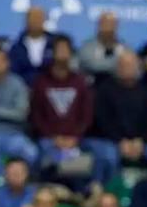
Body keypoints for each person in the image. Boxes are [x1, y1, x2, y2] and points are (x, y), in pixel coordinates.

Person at [31, 35, 101, 186]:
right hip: (48, 139)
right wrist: (54, 138)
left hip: (76, 139)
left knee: (101, 156)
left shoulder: (80, 82)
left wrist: (74, 137)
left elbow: (86, 115)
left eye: (66, 50)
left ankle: (87, 196)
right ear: (52, 53)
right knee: (42, 158)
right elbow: (36, 115)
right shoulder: (40, 82)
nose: (63, 53)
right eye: (59, 49)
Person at [90, 49, 147, 175]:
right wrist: (120, 141)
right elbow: (103, 121)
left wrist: (141, 141)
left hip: (142, 142)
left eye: (130, 65)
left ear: (137, 67)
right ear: (116, 67)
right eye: (123, 64)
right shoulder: (104, 90)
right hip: (111, 140)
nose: (126, 68)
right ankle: (112, 190)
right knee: (109, 155)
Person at [8, 5, 53, 85]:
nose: (36, 21)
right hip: (23, 89)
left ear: (44, 20)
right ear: (26, 21)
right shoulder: (16, 47)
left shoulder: (54, 44)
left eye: (39, 18)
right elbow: (12, 73)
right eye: (32, 18)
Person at [79, 11, 130, 80]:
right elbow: (95, 65)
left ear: (117, 26)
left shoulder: (124, 47)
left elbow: (131, 68)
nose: (109, 28)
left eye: (112, 24)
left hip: (118, 87)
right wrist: (119, 65)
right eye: (105, 24)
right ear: (99, 25)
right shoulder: (87, 47)